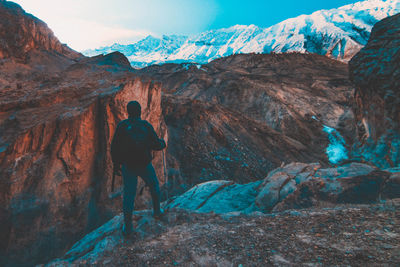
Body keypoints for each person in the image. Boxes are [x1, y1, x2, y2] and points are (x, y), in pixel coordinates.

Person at [111, 101, 166, 236]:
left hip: (128, 166)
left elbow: (114, 147)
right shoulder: (145, 126)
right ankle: (157, 211)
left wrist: (116, 164)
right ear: (140, 111)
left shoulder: (122, 126)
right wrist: (162, 143)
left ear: (128, 112)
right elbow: (155, 144)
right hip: (145, 165)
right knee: (154, 186)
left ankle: (128, 227)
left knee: (129, 195)